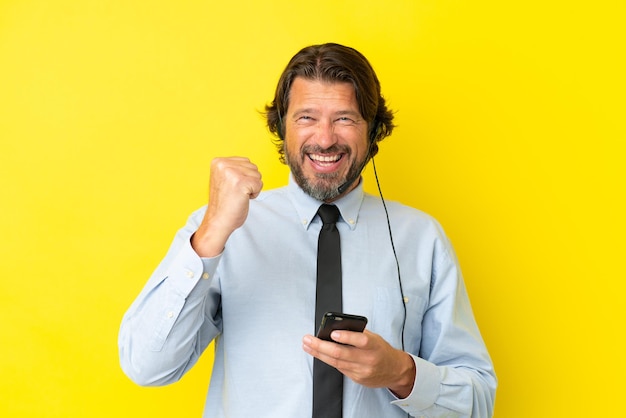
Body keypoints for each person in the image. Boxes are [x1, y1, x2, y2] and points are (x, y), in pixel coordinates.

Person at [118, 42, 497, 418]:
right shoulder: (225, 230)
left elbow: (478, 404)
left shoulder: (422, 239)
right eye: (306, 118)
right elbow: (147, 366)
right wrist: (212, 233)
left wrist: (401, 373)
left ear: (375, 130)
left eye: (345, 118)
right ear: (280, 126)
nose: (326, 138)